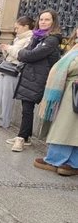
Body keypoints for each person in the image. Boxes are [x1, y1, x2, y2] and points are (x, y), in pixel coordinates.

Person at [8, 9, 63, 152]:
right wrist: (25, 53)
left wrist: (21, 53)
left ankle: (22, 138)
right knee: (27, 108)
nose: (43, 22)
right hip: (31, 76)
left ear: (53, 22)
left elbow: (30, 55)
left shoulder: (51, 39)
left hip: (40, 78)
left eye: (47, 20)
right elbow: (28, 52)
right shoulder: (37, 37)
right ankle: (24, 136)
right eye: (41, 19)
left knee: (28, 109)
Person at [33, 27, 78, 176]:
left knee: (66, 126)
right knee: (68, 127)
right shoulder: (75, 46)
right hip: (68, 90)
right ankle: (68, 162)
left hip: (73, 91)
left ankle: (59, 160)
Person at [0, 16, 34, 128]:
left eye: (17, 28)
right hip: (6, 67)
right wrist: (5, 49)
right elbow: (12, 54)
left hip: (15, 69)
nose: (15, 30)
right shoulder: (18, 38)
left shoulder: (30, 39)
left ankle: (3, 120)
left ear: (26, 27)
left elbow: (22, 55)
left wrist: (8, 48)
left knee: (7, 96)